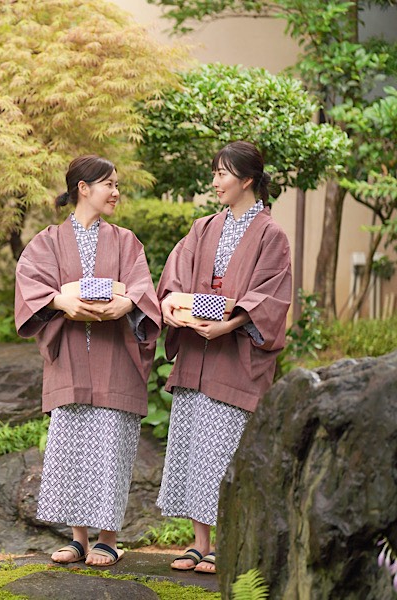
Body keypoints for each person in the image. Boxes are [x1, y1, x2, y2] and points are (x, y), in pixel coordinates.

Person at [14, 155, 162, 566]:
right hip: (71, 356)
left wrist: (127, 303)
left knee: (111, 445)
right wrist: (60, 301)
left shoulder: (126, 241)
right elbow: (30, 284)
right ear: (83, 188)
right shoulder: (47, 241)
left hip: (116, 357)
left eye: (117, 185)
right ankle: (78, 538)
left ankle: (108, 540)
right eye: (109, 184)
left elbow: (142, 288)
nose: (116, 192)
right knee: (73, 445)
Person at [156, 140, 292, 574]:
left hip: (235, 353)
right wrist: (172, 305)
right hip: (197, 350)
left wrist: (228, 325)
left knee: (222, 452)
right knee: (193, 447)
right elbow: (176, 274)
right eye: (214, 173)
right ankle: (199, 543)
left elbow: (271, 294)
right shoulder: (203, 227)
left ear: (247, 180)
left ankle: (226, 545)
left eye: (222, 174)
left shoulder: (271, 234)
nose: (215, 182)